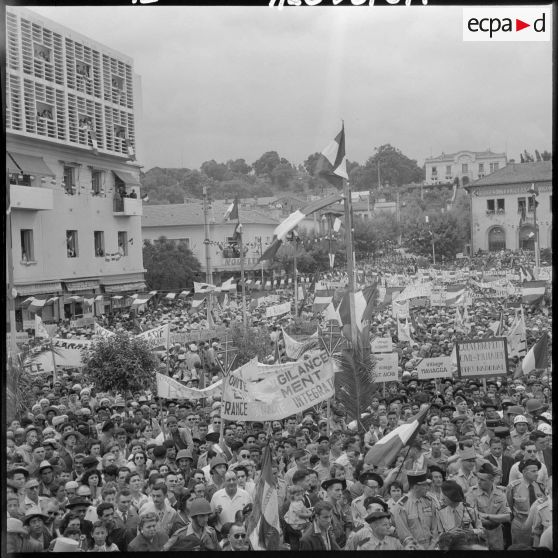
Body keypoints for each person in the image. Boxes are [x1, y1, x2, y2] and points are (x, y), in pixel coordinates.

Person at [465, 462, 510, 550]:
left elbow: (507, 517)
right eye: (478, 478)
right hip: (479, 534)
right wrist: (496, 519)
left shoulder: (501, 493)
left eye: (482, 480)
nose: (478, 482)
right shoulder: (472, 493)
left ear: (492, 480)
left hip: (497, 534)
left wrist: (486, 516)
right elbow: (473, 517)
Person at [392, 470, 438, 550]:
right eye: (424, 485)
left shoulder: (429, 501)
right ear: (415, 487)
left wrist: (432, 545)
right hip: (414, 548)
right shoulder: (401, 506)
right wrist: (417, 547)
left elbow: (435, 526)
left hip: (432, 546)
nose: (427, 488)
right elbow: (404, 534)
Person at [506, 458, 546, 546]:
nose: (537, 473)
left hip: (538, 525)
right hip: (521, 525)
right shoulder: (513, 487)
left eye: (537, 471)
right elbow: (509, 506)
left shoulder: (541, 486)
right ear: (524, 472)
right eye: (533, 471)